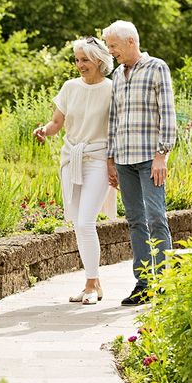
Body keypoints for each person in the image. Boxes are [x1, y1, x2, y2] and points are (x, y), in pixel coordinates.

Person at [34, 36, 116, 305]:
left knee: (84, 222)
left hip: (98, 160)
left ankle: (92, 285)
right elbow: (57, 122)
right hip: (73, 160)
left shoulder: (111, 89)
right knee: (79, 225)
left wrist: (114, 162)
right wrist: (45, 130)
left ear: (100, 61)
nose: (80, 65)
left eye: (85, 60)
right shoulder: (70, 87)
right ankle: (93, 282)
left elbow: (116, 129)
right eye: (77, 60)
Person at [102, 20, 177, 306]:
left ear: (131, 42)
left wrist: (162, 155)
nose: (111, 52)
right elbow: (114, 119)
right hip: (124, 158)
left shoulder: (157, 68)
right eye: (109, 47)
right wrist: (110, 159)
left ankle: (164, 282)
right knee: (134, 220)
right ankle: (144, 283)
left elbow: (167, 115)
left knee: (156, 218)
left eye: (114, 46)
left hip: (149, 159)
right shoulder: (118, 76)